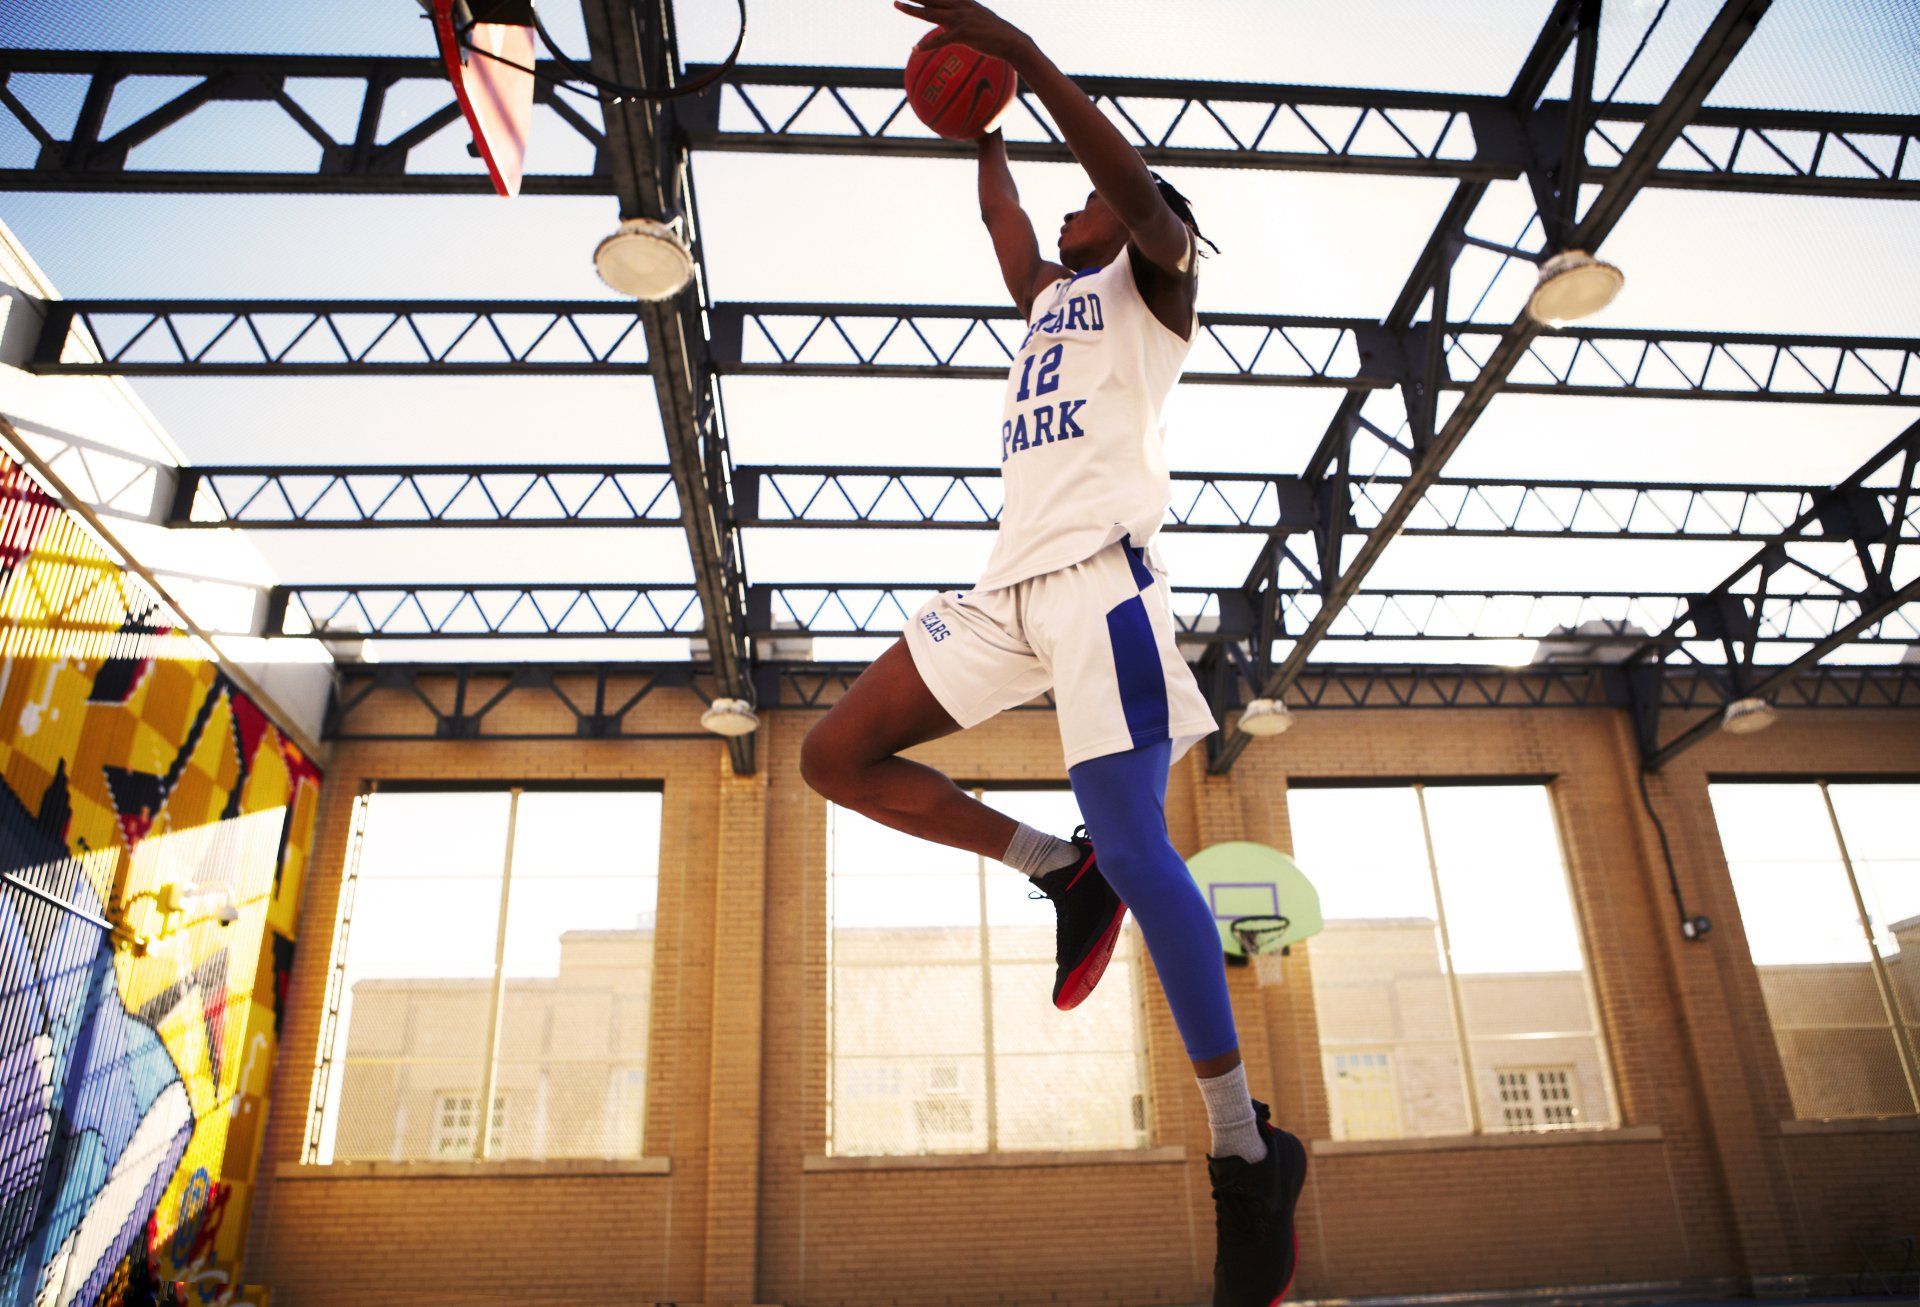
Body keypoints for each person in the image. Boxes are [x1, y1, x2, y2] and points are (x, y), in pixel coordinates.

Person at [799, 2, 1308, 1302]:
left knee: (1144, 838)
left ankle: (1247, 1152)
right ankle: (1056, 870)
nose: (1079, 207)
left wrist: (1020, 55)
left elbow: (1127, 187)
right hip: (1009, 591)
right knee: (831, 755)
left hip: (1103, 590)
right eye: (1074, 202)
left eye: (1097, 197)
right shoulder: (1052, 302)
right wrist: (977, 129)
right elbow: (1005, 231)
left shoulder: (1159, 274)